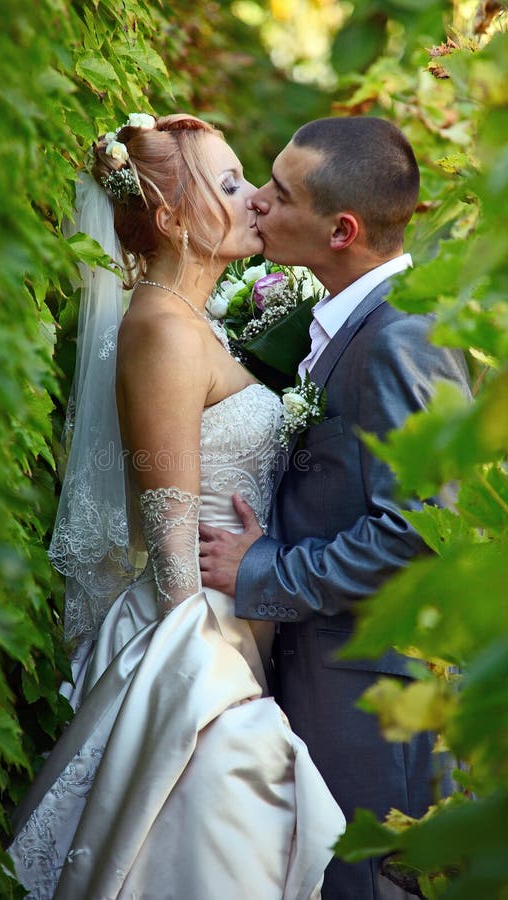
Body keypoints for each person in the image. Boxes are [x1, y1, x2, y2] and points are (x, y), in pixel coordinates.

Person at [8, 113, 344, 900]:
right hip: (194, 642)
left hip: (237, 623)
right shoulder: (158, 330)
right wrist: (204, 681)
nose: (256, 197)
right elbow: (169, 540)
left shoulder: (197, 324)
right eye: (230, 185)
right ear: (168, 219)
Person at [198, 116, 471, 900]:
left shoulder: (403, 338)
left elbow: (422, 526)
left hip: (369, 697)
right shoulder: (353, 319)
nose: (255, 203)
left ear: (341, 229)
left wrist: (269, 570)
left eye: (278, 195)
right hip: (324, 675)